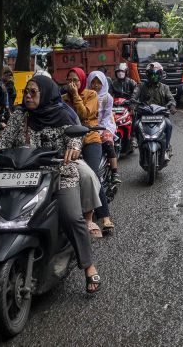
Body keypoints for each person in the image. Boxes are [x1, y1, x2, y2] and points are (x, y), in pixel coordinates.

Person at [0, 76, 101, 294]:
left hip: (59, 173)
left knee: (72, 217)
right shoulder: (20, 115)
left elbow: (75, 136)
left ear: (46, 94)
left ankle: (88, 265)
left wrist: (73, 148)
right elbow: (5, 140)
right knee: (1, 214)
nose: (27, 96)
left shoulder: (63, 114)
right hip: (22, 175)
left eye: (33, 92)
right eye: (26, 92)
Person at [63, 68, 113, 238]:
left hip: (90, 138)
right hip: (70, 141)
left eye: (76, 80)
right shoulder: (63, 99)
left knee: (92, 174)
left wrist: (76, 94)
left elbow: (84, 114)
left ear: (82, 81)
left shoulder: (91, 94)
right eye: (69, 80)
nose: (72, 83)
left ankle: (105, 217)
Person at [131, 62, 176, 161]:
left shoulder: (165, 87)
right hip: (144, 115)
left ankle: (167, 147)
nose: (154, 76)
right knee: (135, 125)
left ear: (160, 74)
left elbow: (171, 99)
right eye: (152, 74)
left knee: (169, 125)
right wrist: (133, 105)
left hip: (161, 115)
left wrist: (172, 106)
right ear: (148, 74)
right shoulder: (141, 86)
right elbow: (134, 97)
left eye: (157, 74)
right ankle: (136, 141)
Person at [88, 70, 121, 189]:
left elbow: (106, 116)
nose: (95, 85)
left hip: (104, 125)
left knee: (107, 143)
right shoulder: (86, 95)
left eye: (98, 82)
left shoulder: (108, 98)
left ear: (103, 84)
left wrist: (100, 129)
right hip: (88, 127)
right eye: (93, 82)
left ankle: (114, 172)